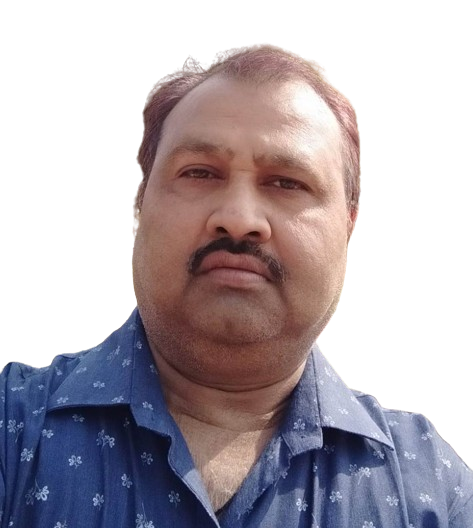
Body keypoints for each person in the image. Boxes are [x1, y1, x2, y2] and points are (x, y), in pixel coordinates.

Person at [0, 44, 471, 528]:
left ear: (348, 224)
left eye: (286, 182)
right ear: (138, 207)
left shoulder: (432, 488)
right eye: (200, 173)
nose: (239, 219)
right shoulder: (11, 427)